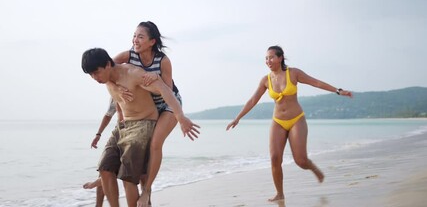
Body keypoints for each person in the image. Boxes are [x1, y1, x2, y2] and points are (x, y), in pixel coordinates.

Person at [226, 45, 352, 203]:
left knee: (300, 160)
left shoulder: (293, 73)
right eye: (266, 58)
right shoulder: (266, 80)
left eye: (271, 57)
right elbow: (252, 100)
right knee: (274, 158)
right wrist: (237, 118)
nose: (268, 61)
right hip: (278, 121)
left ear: (280, 58)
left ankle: (312, 167)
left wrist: (338, 90)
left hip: (296, 119)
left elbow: (316, 82)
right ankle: (280, 193)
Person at [81, 47, 200, 207]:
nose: (95, 78)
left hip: (144, 123)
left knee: (128, 177)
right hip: (123, 126)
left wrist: (180, 115)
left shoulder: (133, 73)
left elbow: (164, 88)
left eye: (96, 72)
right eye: (91, 75)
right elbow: (115, 104)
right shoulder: (107, 79)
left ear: (108, 64)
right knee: (105, 168)